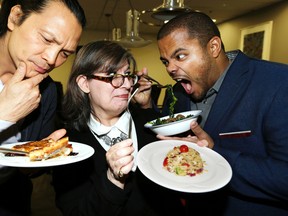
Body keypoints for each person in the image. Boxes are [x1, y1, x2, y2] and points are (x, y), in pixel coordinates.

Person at [155, 11, 288, 215]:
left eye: (180, 56)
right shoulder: (179, 92)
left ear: (213, 47)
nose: (170, 69)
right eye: (165, 61)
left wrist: (214, 153)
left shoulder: (278, 83)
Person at [52, 41, 186, 216]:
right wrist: (112, 180)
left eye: (128, 74)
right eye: (112, 74)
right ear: (84, 84)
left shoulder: (153, 124)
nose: (126, 84)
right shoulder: (69, 146)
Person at [0, 0, 86, 215]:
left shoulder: (45, 91)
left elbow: (24, 171)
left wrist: (41, 154)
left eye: (65, 53)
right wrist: (4, 117)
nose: (51, 59)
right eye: (47, 39)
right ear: (15, 17)